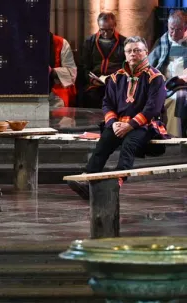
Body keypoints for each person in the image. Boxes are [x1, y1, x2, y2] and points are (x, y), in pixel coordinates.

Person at [68, 36, 167, 200]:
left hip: (145, 125)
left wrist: (130, 125)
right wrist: (113, 124)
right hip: (119, 123)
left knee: (129, 144)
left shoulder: (155, 77)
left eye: (137, 50)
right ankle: (87, 179)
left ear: (146, 52)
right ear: (125, 55)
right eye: (129, 51)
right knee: (104, 142)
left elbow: (153, 108)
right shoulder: (116, 77)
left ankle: (116, 184)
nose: (133, 54)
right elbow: (107, 103)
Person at [148, 10, 187, 136]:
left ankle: (175, 136)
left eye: (178, 30)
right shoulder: (163, 41)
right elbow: (150, 65)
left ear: (185, 28)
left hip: (183, 84)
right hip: (165, 82)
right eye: (171, 29)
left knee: (178, 98)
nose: (174, 33)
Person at [78, 12, 127, 108]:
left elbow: (127, 66)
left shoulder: (124, 42)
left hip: (116, 82)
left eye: (109, 30)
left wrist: (117, 79)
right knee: (91, 96)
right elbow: (84, 66)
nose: (105, 33)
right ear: (98, 26)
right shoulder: (89, 42)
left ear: (115, 26)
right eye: (102, 30)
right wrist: (92, 80)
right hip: (95, 82)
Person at [49, 33, 77, 107]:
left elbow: (72, 72)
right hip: (25, 90)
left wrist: (52, 71)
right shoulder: (20, 41)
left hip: (54, 87)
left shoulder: (61, 43)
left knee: (57, 108)